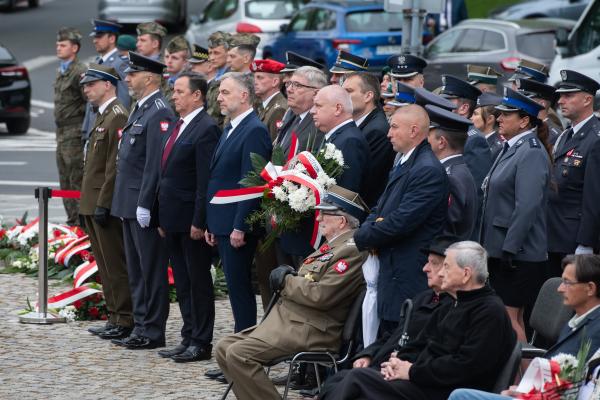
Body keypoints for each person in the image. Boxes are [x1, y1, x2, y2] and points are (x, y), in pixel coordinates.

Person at [215, 185, 369, 400]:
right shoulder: (333, 246)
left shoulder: (350, 251)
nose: (318, 219)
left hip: (312, 329)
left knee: (239, 354)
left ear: (341, 221)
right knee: (224, 347)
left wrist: (286, 281)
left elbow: (321, 295)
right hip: (291, 321)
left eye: (324, 214)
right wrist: (291, 277)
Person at [321, 241, 516, 400]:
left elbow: (467, 366)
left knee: (359, 379)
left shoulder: (489, 311)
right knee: (345, 381)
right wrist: (398, 364)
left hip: (449, 390)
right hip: (426, 379)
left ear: (466, 274)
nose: (440, 273)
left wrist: (412, 371)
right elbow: (421, 343)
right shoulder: (454, 303)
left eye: (446, 267)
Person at [318, 234, 457, 399]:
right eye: (427, 262)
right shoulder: (422, 298)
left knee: (355, 381)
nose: (425, 268)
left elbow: (432, 350)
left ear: (449, 269)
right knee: (338, 379)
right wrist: (368, 354)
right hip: (386, 366)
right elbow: (393, 335)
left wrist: (403, 365)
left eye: (433, 264)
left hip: (411, 376)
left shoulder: (453, 306)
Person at [448, 254, 600, 400]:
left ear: (590, 288)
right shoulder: (578, 318)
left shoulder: (596, 329)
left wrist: (527, 395)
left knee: (460, 396)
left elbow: (580, 384)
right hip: (537, 393)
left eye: (567, 282)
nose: (560, 288)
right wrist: (524, 391)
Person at [354, 104, 449, 335]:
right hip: (392, 269)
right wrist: (368, 225)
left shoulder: (426, 169)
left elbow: (400, 222)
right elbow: (380, 206)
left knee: (397, 338)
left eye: (395, 127)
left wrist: (362, 235)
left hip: (407, 273)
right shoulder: (405, 161)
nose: (389, 134)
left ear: (414, 131)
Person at [110, 52, 175, 350]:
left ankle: (152, 329)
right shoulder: (141, 108)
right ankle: (140, 324)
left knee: (150, 270)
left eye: (132, 74)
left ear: (149, 77)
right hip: (128, 201)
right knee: (136, 269)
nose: (127, 78)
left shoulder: (159, 111)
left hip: (141, 204)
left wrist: (146, 203)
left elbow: (154, 164)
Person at [155, 72, 220, 362]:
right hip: (172, 217)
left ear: (197, 95)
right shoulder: (177, 125)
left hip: (190, 219)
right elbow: (165, 173)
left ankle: (201, 341)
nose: (174, 96)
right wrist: (160, 216)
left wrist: (199, 220)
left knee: (197, 282)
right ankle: (188, 335)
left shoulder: (206, 128)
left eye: (180, 91)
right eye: (174, 91)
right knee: (182, 281)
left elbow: (204, 181)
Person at [479, 87, 551, 343]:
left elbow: (527, 206)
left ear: (524, 121)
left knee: (510, 320)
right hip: (504, 250)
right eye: (499, 114)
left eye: (507, 115)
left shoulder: (530, 151)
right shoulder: (513, 147)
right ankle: (517, 377)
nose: (499, 119)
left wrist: (510, 247)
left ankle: (522, 379)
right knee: (510, 319)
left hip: (518, 253)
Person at [205, 72, 272, 332]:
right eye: (220, 92)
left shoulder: (254, 129)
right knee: (234, 288)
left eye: (225, 93)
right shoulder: (232, 126)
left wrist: (240, 226)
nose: (219, 98)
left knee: (240, 288)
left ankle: (242, 349)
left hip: (237, 224)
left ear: (244, 96)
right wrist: (212, 223)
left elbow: (252, 182)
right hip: (222, 221)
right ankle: (237, 348)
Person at [79, 64, 132, 339]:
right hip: (93, 200)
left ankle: (124, 317)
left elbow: (114, 165)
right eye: (85, 85)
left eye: (91, 84)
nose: (87, 89)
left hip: (105, 202)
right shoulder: (103, 116)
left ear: (108, 84)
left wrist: (104, 202)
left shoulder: (117, 116)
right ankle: (114, 315)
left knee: (115, 263)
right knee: (104, 262)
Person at [547, 70, 600, 279]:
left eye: (568, 96)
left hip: (573, 238)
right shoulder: (567, 134)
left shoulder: (595, 139)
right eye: (560, 96)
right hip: (554, 234)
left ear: (588, 99)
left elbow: (593, 197)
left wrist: (586, 243)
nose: (560, 101)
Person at [342, 72, 395, 208]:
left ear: (368, 96)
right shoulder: (359, 123)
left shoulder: (377, 130)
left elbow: (366, 181)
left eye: (349, 91)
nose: (342, 96)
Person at [426, 105, 478, 240]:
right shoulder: (454, 170)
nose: (424, 140)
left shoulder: (451, 177)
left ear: (442, 142)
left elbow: (446, 228)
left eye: (428, 135)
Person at [54, 27, 87, 226]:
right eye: (58, 44)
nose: (58, 48)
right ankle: (72, 220)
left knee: (76, 179)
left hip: (74, 134)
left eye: (63, 45)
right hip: (61, 133)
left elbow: (89, 102)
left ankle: (82, 224)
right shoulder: (62, 70)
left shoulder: (79, 71)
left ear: (74, 48)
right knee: (64, 180)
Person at [439, 75, 493, 196]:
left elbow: (476, 191)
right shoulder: (447, 131)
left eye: (447, 101)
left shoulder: (474, 140)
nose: (441, 104)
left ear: (464, 108)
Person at [311, 85, 371, 194]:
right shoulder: (339, 135)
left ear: (338, 109)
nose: (312, 111)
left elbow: (346, 192)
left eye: (318, 105)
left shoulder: (350, 141)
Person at [82, 19, 131, 143]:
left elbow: (123, 100)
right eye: (94, 37)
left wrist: (118, 131)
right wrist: (86, 130)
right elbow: (91, 102)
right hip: (95, 128)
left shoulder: (119, 64)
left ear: (112, 38)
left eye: (99, 36)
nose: (95, 40)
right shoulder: (98, 62)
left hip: (108, 131)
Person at [275, 66, 327, 157]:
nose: (289, 89)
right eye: (289, 84)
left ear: (316, 93)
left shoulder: (319, 123)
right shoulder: (292, 114)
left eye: (297, 85)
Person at [515, 77, 563, 143]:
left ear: (542, 104)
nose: (523, 104)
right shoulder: (531, 126)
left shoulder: (552, 135)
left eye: (527, 100)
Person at [251, 59, 287, 141]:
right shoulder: (265, 105)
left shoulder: (279, 109)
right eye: (254, 77)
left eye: (260, 78)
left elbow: (274, 147)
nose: (254, 82)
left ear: (275, 82)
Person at [205, 31, 232, 127]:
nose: (211, 57)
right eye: (210, 53)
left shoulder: (231, 79)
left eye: (216, 53)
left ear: (228, 52)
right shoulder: (215, 78)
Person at [472, 92, 504, 160]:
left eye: (475, 114)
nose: (471, 117)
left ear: (490, 119)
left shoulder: (497, 148)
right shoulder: (476, 140)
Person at [163, 35, 191, 103]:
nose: (169, 61)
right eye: (167, 57)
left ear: (185, 62)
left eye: (174, 58)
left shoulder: (189, 83)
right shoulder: (162, 76)